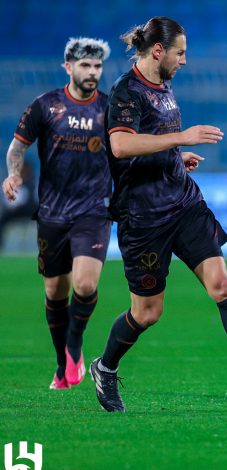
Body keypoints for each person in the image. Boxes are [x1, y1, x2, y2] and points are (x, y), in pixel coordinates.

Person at [89, 16, 227, 412]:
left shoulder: (164, 87)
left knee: (221, 283)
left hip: (184, 204)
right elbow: (119, 146)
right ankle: (106, 367)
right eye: (180, 52)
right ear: (158, 51)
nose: (184, 61)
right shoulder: (125, 92)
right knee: (147, 313)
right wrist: (182, 138)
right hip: (143, 218)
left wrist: (175, 156)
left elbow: (151, 141)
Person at [2, 38, 112, 390]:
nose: (92, 72)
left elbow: (130, 150)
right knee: (55, 292)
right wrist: (14, 173)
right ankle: (63, 364)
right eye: (85, 66)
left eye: (97, 66)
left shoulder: (109, 110)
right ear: (69, 67)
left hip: (93, 210)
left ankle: (74, 347)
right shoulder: (46, 106)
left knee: (85, 283)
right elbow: (18, 147)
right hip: (52, 213)